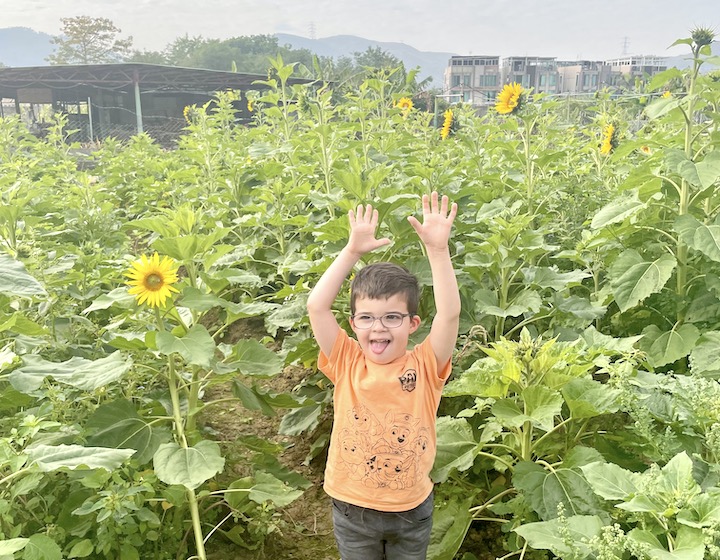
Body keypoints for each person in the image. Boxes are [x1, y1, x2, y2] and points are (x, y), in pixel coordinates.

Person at [306, 191, 460, 560]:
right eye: (367, 318)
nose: (378, 329)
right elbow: (316, 306)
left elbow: (450, 315)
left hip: (410, 511)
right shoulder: (345, 360)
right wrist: (352, 252)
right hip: (352, 509)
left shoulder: (425, 364)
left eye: (392, 317)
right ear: (353, 324)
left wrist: (439, 252)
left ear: (413, 324)